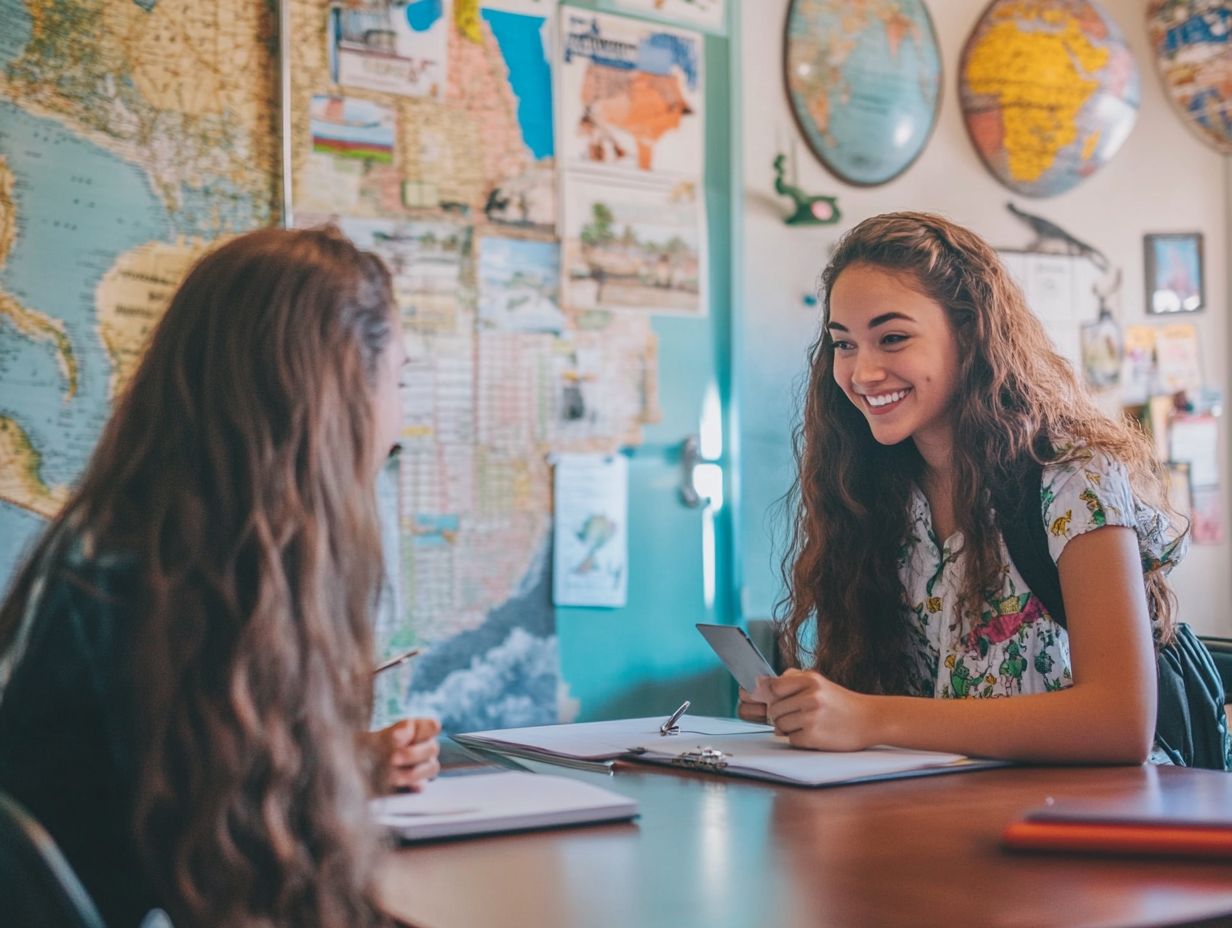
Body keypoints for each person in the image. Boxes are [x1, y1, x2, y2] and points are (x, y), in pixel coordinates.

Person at [0, 227, 439, 928]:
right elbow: (246, 878)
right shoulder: (164, 595)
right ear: (331, 400)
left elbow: (178, 785)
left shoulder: (129, 554)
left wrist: (339, 763)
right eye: (400, 380)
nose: (398, 421)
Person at [740, 211, 1188, 765]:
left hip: (1076, 827)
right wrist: (812, 705)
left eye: (893, 338)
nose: (861, 373)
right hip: (941, 815)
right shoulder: (872, 489)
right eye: (844, 344)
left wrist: (871, 716)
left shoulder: (1073, 476)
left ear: (971, 334)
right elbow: (915, 703)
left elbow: (1121, 723)